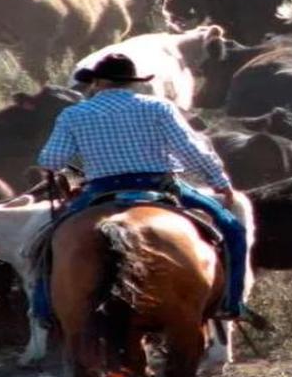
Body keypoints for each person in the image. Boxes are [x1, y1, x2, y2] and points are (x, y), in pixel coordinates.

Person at [35, 53, 255, 322]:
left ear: (99, 83)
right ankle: (231, 304)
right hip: (159, 184)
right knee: (232, 228)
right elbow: (190, 150)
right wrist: (220, 183)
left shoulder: (74, 114)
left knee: (48, 239)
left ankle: (44, 309)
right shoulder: (158, 107)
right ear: (131, 82)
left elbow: (51, 160)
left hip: (101, 189)